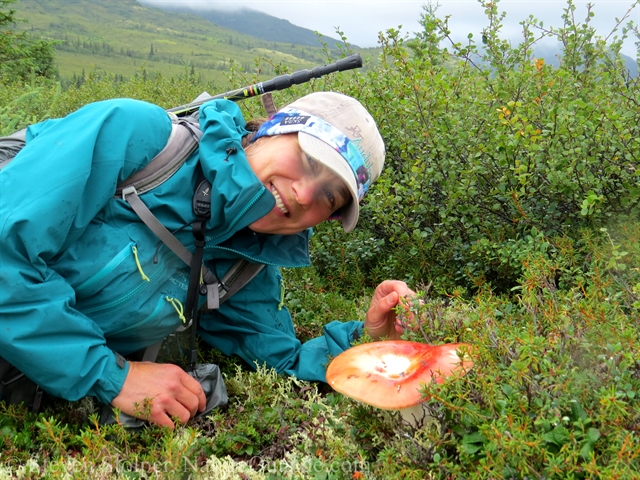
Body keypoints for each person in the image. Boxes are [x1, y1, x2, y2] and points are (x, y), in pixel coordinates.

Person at [0, 91, 414, 428]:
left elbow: (283, 361)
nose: (304, 195)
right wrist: (115, 376)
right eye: (307, 160)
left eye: (329, 197)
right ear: (270, 130)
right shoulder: (138, 139)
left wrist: (371, 340)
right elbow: (6, 252)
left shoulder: (246, 265)